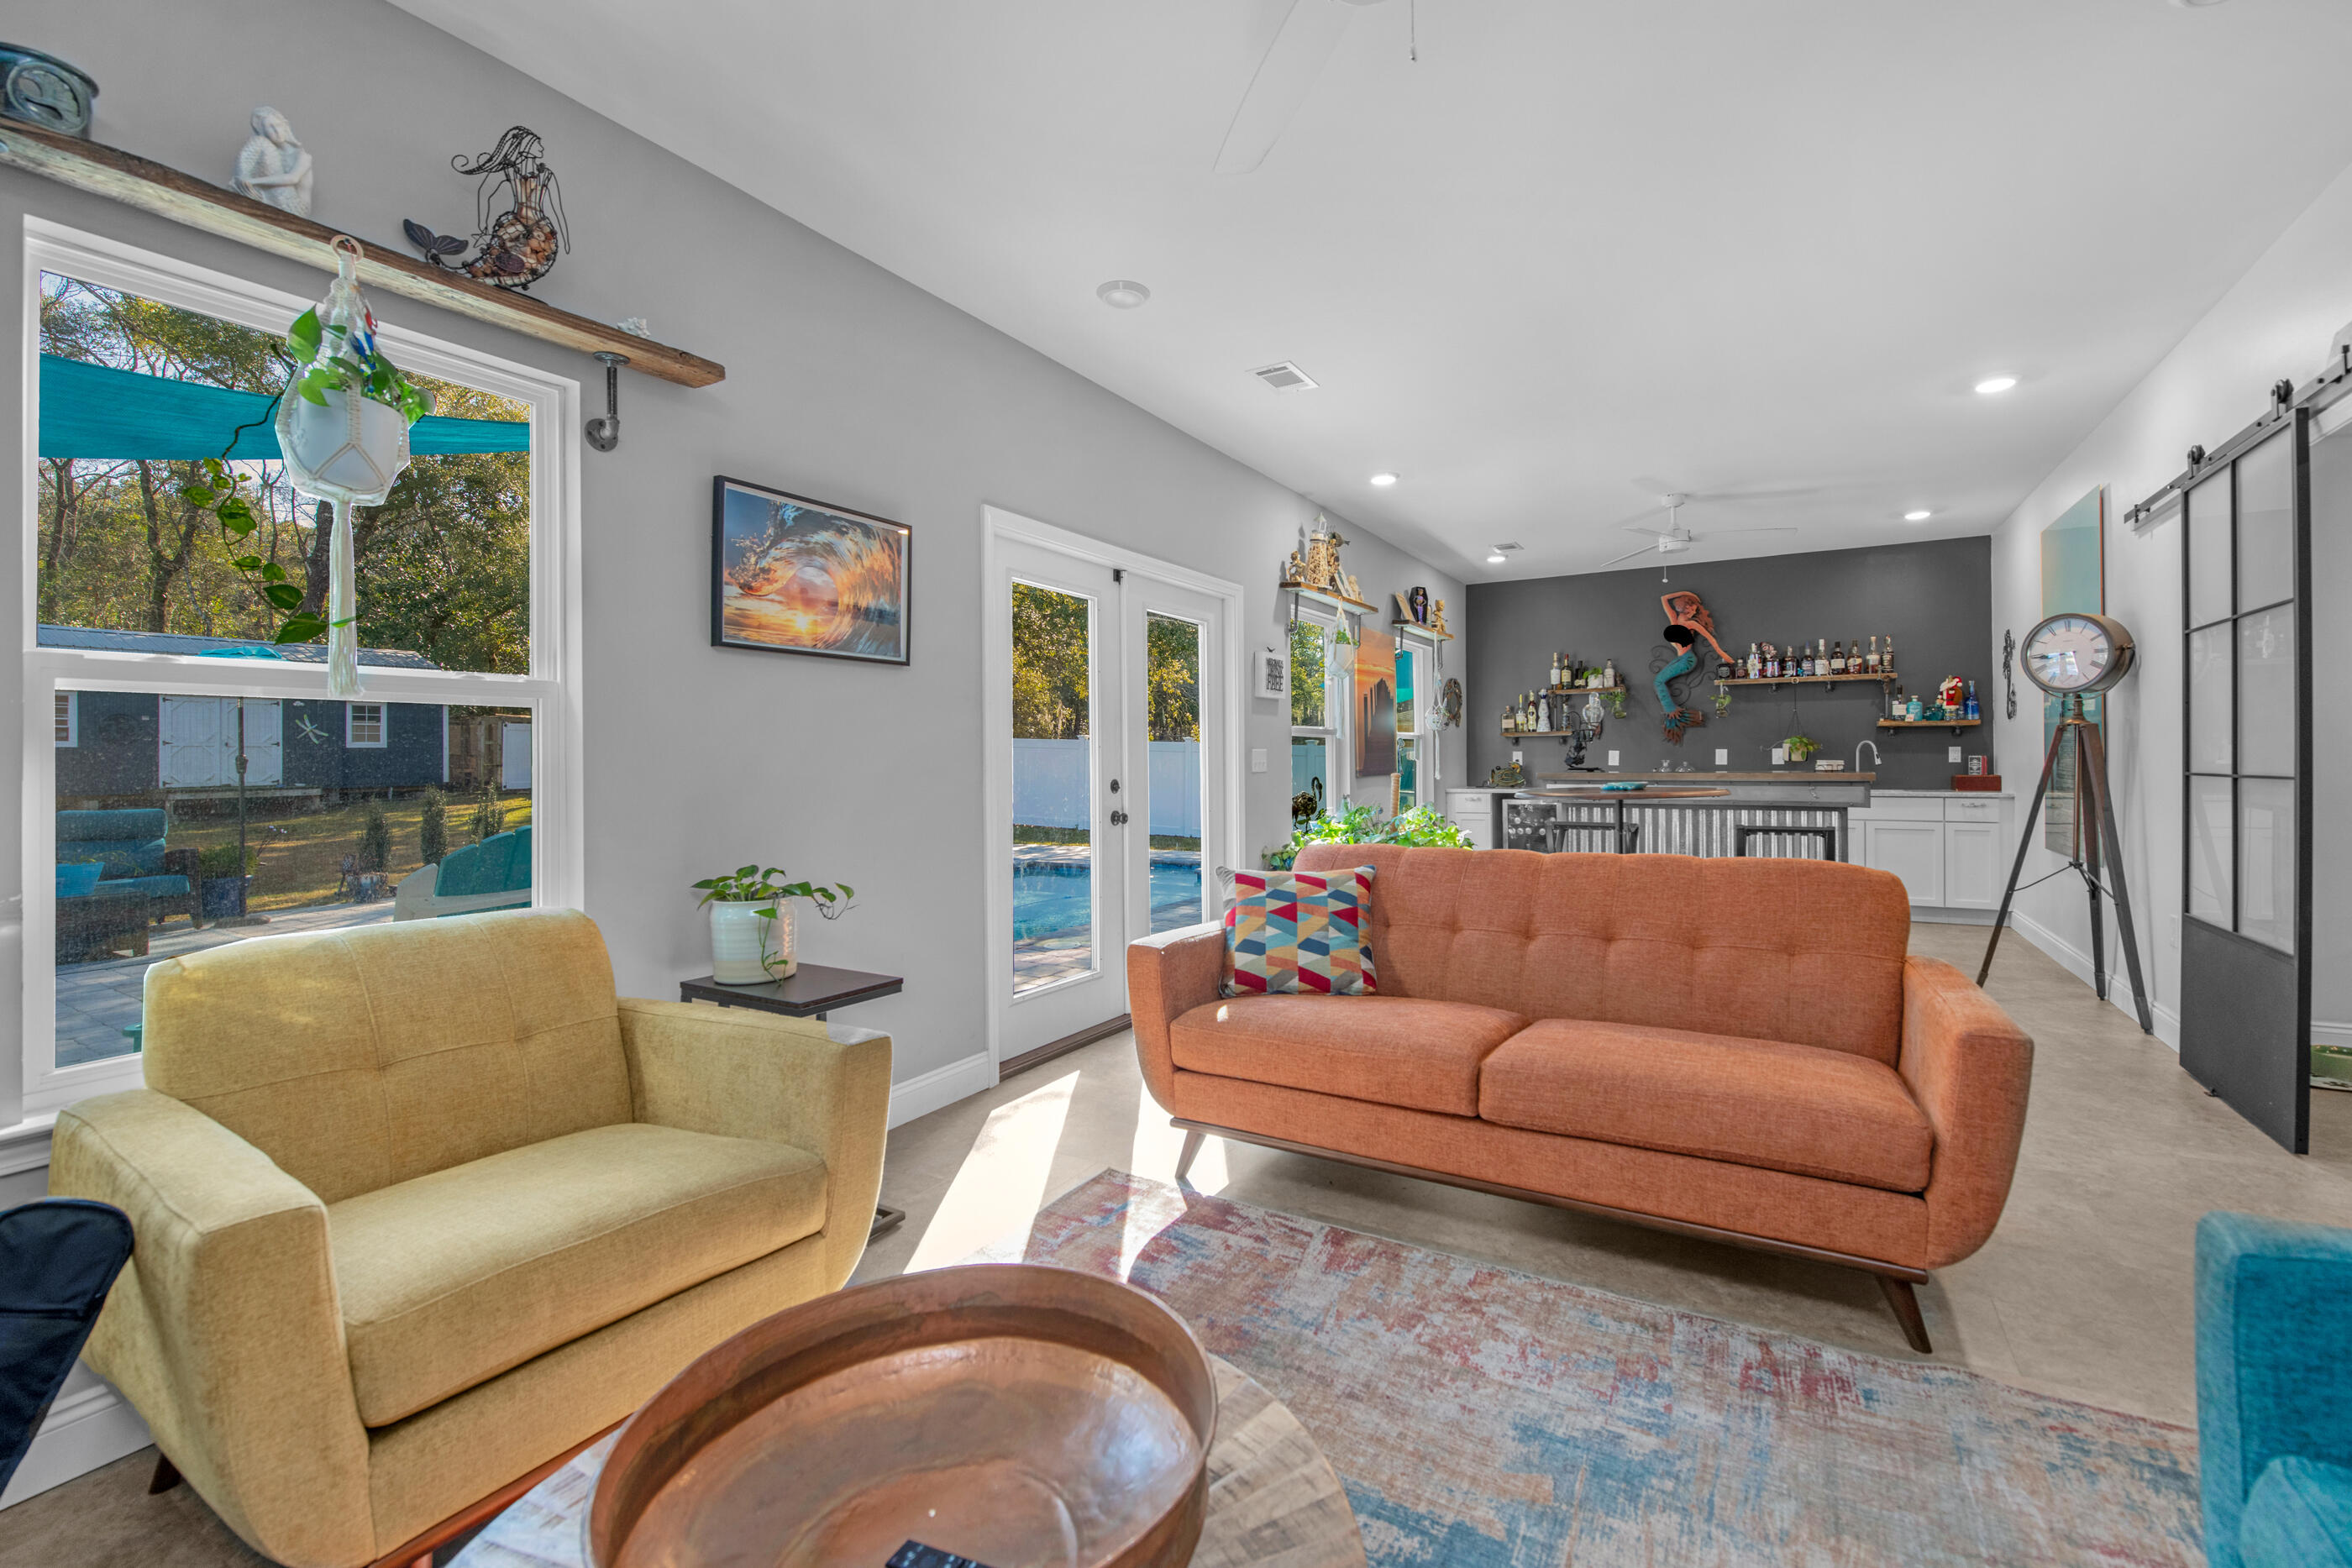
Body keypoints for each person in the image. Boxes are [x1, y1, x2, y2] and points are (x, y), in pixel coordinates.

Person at [233, 108, 313, 217]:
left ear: (285, 126)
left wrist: (252, 181)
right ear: (264, 132)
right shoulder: (272, 153)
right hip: (276, 198)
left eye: (278, 125)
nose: (276, 131)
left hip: (297, 210)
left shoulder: (302, 155)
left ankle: (243, 184)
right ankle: (242, 184)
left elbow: (293, 178)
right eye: (270, 128)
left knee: (260, 142)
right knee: (258, 143)